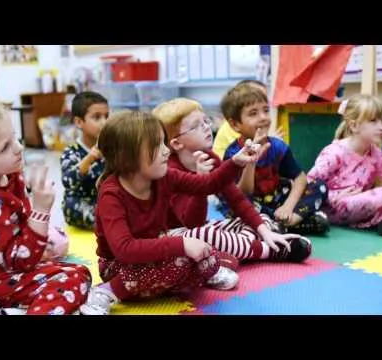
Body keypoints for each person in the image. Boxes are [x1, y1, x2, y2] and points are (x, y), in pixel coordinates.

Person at [79, 110, 260, 315]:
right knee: (184, 256)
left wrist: (235, 162)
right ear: (127, 157)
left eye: (164, 142)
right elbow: (124, 249)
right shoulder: (112, 195)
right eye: (157, 145)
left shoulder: (163, 176)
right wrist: (181, 244)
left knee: (206, 254)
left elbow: (206, 184)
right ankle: (106, 291)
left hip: (156, 255)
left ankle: (177, 280)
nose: (166, 151)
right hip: (119, 267)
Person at [0, 89, 97, 315]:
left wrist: (33, 212)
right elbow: (21, 262)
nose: (19, 147)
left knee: (78, 271)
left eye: (14, 137)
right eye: (5, 147)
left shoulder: (7, 174)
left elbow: (20, 229)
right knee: (71, 279)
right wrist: (41, 210)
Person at [153, 98, 312, 263]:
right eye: (197, 125)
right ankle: (269, 250)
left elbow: (236, 199)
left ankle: (244, 247)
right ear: (177, 143)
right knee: (205, 235)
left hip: (204, 226)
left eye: (206, 121)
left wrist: (265, 232)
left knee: (261, 219)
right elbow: (192, 223)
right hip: (177, 235)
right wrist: (201, 182)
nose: (207, 127)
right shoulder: (169, 171)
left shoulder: (211, 158)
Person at [308, 94, 382, 241]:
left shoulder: (374, 152)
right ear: (354, 126)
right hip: (337, 207)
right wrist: (333, 197)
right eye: (373, 121)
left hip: (363, 204)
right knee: (378, 196)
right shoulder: (335, 152)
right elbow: (310, 183)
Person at [221, 84, 329, 235]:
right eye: (253, 114)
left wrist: (288, 207)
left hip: (275, 200)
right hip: (251, 203)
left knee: (319, 186)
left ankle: (290, 221)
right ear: (235, 124)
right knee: (238, 207)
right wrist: (251, 160)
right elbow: (243, 192)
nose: (264, 118)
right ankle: (285, 225)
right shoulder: (233, 153)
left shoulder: (278, 146)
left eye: (266, 110)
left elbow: (300, 178)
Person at [61, 91, 109, 230]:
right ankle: (109, 223)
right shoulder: (71, 151)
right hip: (83, 205)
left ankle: (111, 221)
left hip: (107, 202)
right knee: (70, 205)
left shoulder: (111, 149)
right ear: (79, 122)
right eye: (97, 117)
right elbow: (68, 182)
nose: (104, 122)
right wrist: (90, 158)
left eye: (106, 116)